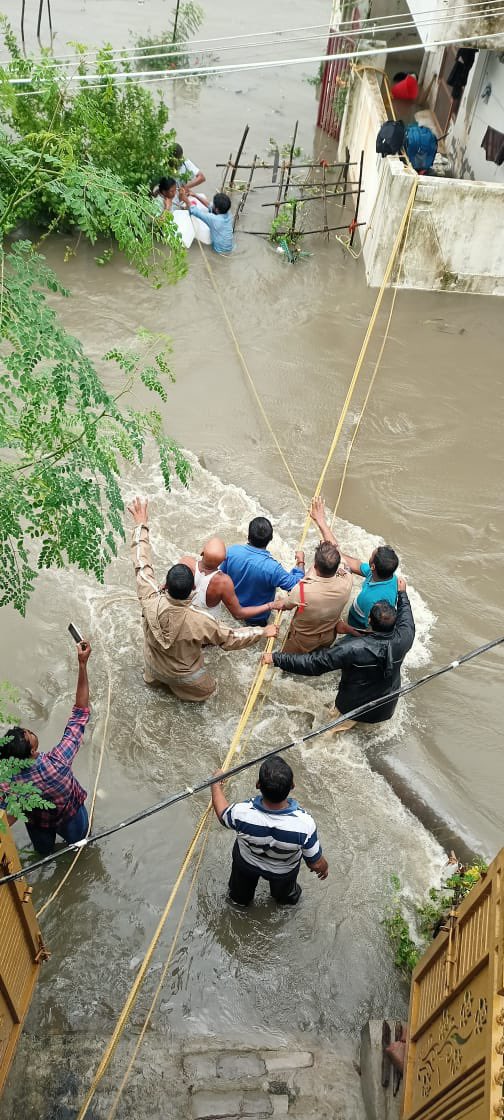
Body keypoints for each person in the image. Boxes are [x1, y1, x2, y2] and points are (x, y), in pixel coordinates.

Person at [129, 498, 278, 702]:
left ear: (165, 585)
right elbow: (231, 637)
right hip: (184, 676)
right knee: (211, 693)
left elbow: (141, 561)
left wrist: (140, 524)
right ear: (192, 589)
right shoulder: (201, 620)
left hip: (153, 666)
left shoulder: (150, 595)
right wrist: (263, 631)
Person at [263, 578, 415, 732]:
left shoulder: (353, 648)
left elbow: (314, 664)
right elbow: (407, 616)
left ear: (369, 620)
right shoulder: (405, 636)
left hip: (352, 709)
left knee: (325, 740)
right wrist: (402, 594)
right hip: (386, 707)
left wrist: (276, 658)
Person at [0, 640, 92, 854]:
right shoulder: (58, 762)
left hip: (38, 824)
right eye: (29, 734)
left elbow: (6, 815)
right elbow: (80, 712)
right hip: (70, 816)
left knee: (43, 854)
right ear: (32, 751)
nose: (31, 732)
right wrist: (82, 665)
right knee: (80, 845)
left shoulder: (8, 783)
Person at [211, 754, 328, 906]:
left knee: (239, 898)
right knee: (286, 900)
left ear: (258, 784)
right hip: (283, 872)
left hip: (246, 863)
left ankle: (240, 901)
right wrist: (323, 867)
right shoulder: (304, 825)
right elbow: (315, 864)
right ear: (292, 786)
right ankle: (285, 901)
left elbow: (222, 814)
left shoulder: (242, 813)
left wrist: (215, 784)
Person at [275, 497, 355, 653]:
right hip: (327, 637)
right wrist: (321, 521)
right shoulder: (347, 581)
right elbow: (338, 552)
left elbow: (286, 605)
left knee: (288, 665)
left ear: (316, 565)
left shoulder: (302, 591)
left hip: (302, 641)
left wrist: (301, 563)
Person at [309, 499, 399, 631]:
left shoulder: (370, 600)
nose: (369, 556)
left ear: (373, 567)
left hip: (356, 632)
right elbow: (344, 559)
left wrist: (345, 630)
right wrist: (321, 522)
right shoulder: (386, 576)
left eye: (371, 556)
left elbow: (371, 633)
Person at [220, 516, 305, 627]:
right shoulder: (273, 568)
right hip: (257, 617)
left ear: (248, 535)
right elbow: (298, 586)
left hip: (231, 607)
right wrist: (300, 562)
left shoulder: (231, 551)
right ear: (270, 538)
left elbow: (220, 575)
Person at [178, 537, 285, 621]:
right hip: (207, 627)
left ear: (202, 552)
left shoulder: (185, 562)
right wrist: (270, 605)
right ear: (224, 560)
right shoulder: (223, 582)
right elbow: (239, 614)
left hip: (186, 618)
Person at [180, 189, 234, 254]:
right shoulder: (228, 213)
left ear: (217, 210)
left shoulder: (214, 219)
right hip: (230, 247)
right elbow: (209, 205)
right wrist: (195, 195)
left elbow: (195, 211)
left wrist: (185, 199)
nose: (212, 204)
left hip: (220, 251)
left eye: (214, 204)